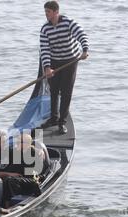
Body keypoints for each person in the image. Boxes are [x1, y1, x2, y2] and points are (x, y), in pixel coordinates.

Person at [39, 1, 89, 135]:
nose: (46, 15)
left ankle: (62, 122)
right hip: (54, 61)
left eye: (48, 12)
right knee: (54, 91)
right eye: (45, 12)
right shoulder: (45, 29)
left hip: (70, 61)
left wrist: (84, 50)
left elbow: (82, 35)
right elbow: (44, 50)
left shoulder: (68, 23)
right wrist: (47, 67)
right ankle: (54, 118)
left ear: (56, 12)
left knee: (66, 92)